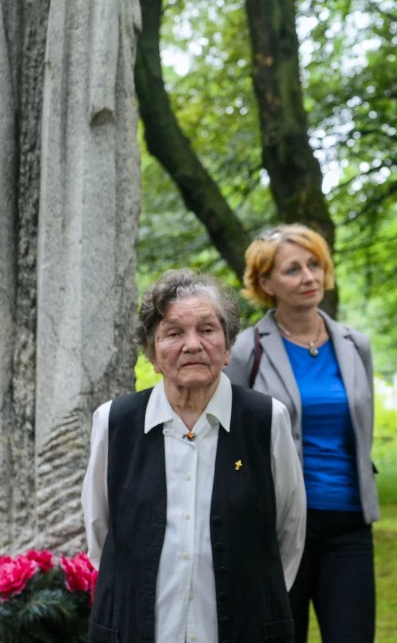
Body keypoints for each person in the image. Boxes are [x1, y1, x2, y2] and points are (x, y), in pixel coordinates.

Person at [83, 269, 307, 643]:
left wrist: (254, 601)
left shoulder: (266, 420)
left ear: (227, 347)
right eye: (173, 333)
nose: (192, 344)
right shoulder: (114, 422)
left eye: (207, 329)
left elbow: (289, 531)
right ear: (152, 354)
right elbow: (100, 534)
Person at [227, 225, 380, 643]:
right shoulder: (244, 351)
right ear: (265, 282)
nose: (309, 277)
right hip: (276, 532)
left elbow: (360, 424)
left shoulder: (355, 344)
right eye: (292, 270)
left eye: (314, 264)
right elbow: (230, 442)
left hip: (350, 526)